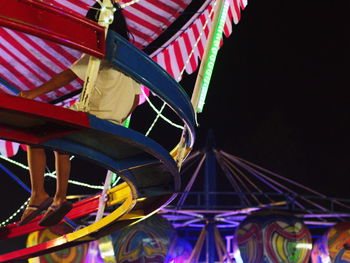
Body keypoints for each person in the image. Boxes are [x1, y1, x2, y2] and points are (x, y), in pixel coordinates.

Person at [18, 1, 140, 227]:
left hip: (91, 118)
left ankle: (40, 196)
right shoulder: (131, 57)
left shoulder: (100, 50)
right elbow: (135, 100)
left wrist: (31, 94)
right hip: (112, 126)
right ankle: (58, 198)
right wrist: (116, 117)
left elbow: (66, 76)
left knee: (32, 131)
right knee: (61, 144)